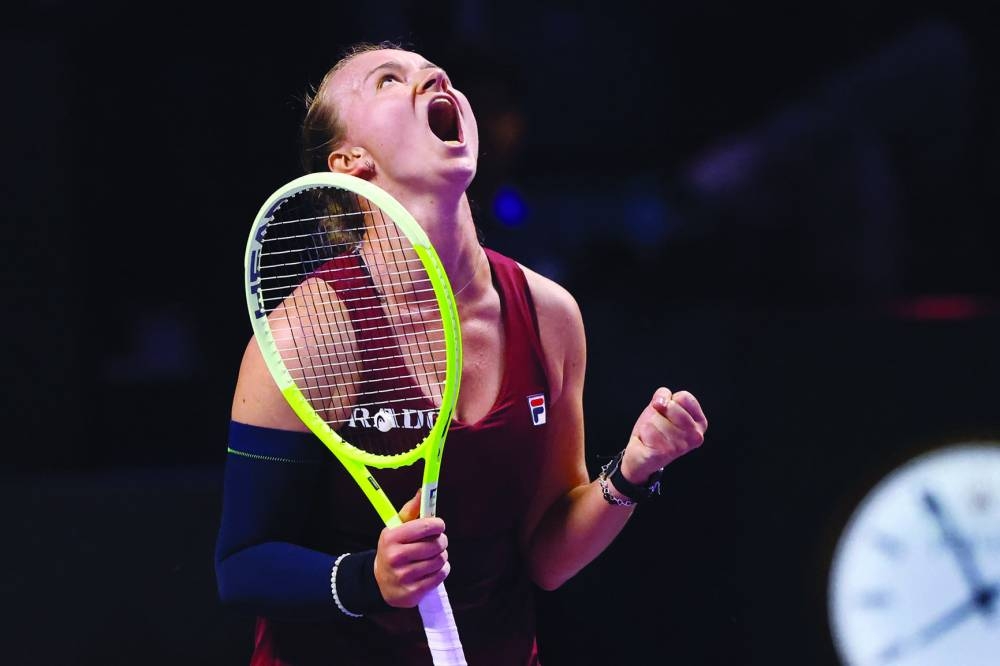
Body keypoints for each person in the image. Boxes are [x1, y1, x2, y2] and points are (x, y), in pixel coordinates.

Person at [215, 41, 708, 665]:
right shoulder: (309, 336)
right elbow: (242, 565)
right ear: (350, 162)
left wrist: (633, 469)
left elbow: (548, 558)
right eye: (388, 80)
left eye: (433, 71)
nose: (434, 78)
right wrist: (370, 579)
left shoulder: (549, 316)